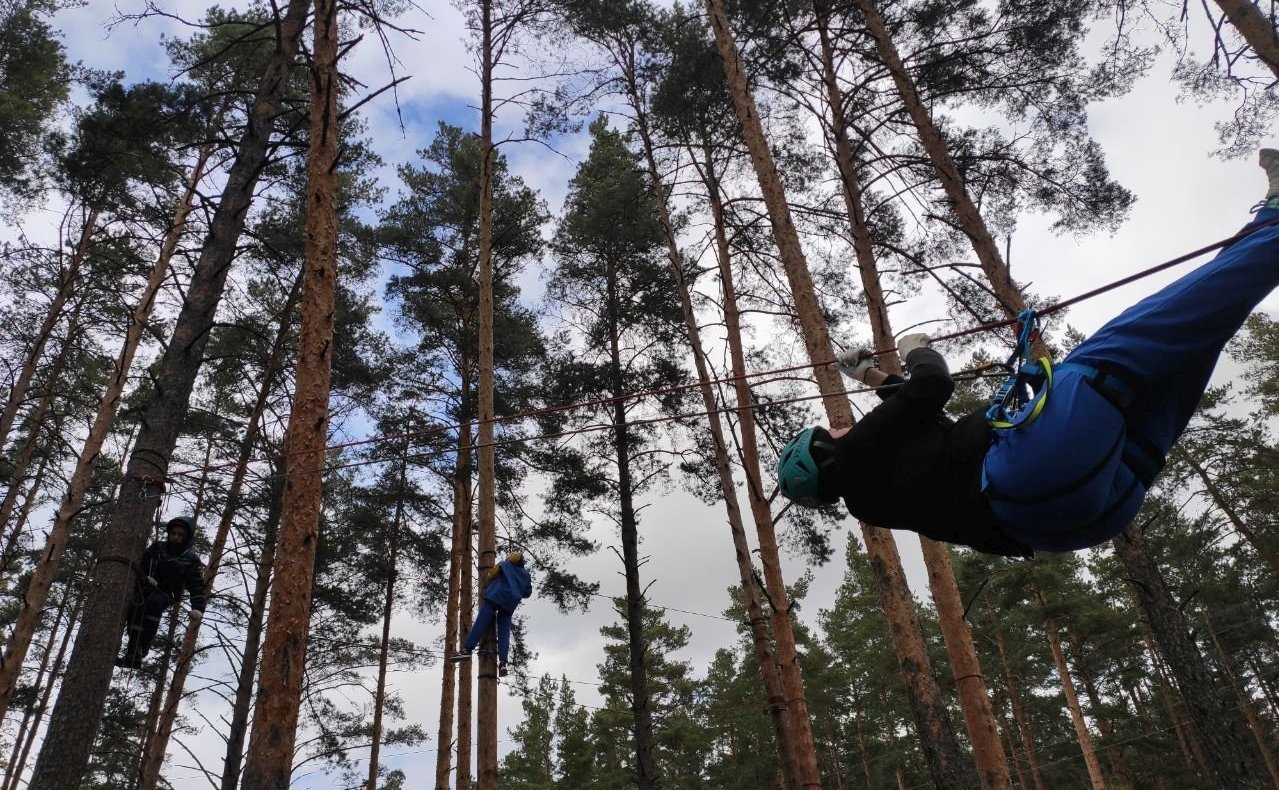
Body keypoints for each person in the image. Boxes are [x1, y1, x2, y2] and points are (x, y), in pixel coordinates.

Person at [777, 149, 1279, 557]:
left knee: (1194, 338)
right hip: (1033, 473)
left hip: (1079, 516)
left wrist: (871, 375)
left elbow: (918, 424)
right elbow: (932, 389)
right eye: (830, 431)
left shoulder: (875, 491)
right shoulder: (855, 457)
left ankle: (1268, 226)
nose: (840, 426)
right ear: (824, 454)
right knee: (1123, 346)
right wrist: (916, 352)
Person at [115, 516, 207, 669]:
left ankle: (142, 648)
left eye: (180, 535)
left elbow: (196, 584)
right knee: (135, 610)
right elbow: (142, 563)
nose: (176, 537)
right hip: (145, 588)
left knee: (153, 605)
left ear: (186, 537)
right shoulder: (157, 548)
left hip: (166, 594)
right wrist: (145, 578)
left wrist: (198, 607)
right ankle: (133, 654)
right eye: (174, 533)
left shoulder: (190, 559)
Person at [448, 551, 532, 677]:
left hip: (495, 596)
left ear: (510, 559)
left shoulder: (504, 565)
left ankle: (467, 649)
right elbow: (527, 593)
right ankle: (503, 662)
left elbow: (490, 575)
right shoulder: (526, 575)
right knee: (504, 632)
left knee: (481, 621)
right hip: (509, 604)